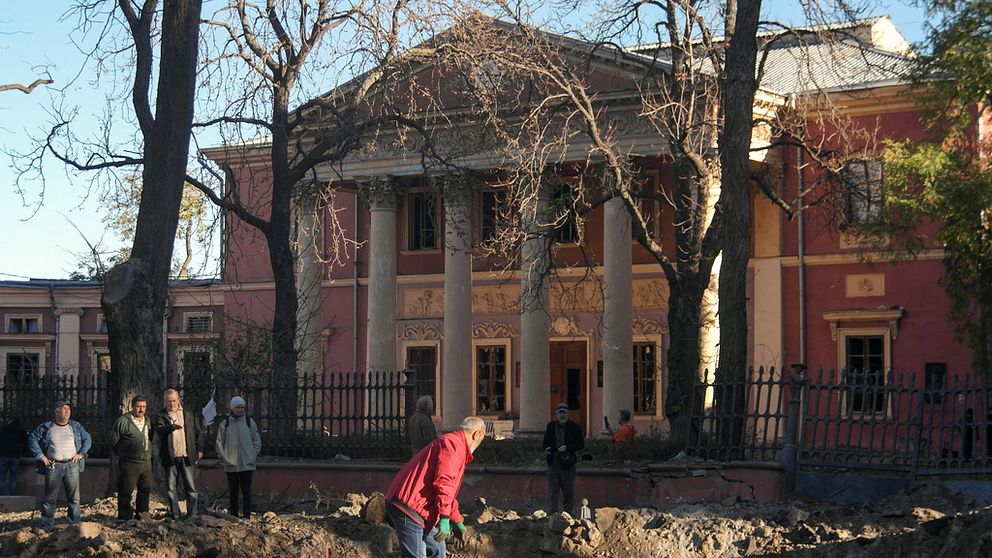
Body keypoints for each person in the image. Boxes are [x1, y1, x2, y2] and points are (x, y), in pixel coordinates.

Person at [385, 416, 486, 558]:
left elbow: (448, 492)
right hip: (409, 507)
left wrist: (456, 520)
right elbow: (444, 483)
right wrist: (445, 518)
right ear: (477, 434)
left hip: (420, 508)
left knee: (437, 550)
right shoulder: (453, 445)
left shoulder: (455, 444)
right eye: (482, 439)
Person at [27, 401, 92, 530]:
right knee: (50, 497)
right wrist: (41, 456)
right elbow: (32, 439)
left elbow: (87, 438)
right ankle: (47, 525)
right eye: (64, 410)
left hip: (71, 465)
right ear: (56, 412)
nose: (67, 412)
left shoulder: (76, 426)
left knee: (74, 497)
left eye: (69, 410)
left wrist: (81, 454)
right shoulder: (46, 427)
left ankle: (75, 524)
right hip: (53, 465)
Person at [153, 389, 205, 520]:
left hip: (187, 455)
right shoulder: (161, 415)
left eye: (174, 400)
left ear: (179, 400)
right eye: (168, 401)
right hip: (170, 456)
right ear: (165, 402)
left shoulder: (188, 412)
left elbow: (197, 431)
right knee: (171, 487)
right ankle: (174, 513)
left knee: (190, 486)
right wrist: (171, 427)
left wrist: (200, 449)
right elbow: (159, 430)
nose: (171, 404)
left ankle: (192, 513)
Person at [215, 395, 262, 522]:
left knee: (246, 491)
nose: (240, 410)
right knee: (233, 492)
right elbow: (219, 442)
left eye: (242, 407)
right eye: (237, 407)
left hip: (247, 463)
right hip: (231, 463)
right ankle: (234, 516)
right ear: (232, 407)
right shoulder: (225, 424)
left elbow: (256, 440)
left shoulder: (249, 422)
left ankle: (246, 516)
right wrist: (224, 457)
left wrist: (253, 454)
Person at [111, 395, 154, 521]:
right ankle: (124, 517)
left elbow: (151, 437)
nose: (141, 410)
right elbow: (114, 440)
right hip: (129, 462)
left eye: (144, 407)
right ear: (132, 407)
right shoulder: (123, 421)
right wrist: (124, 453)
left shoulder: (147, 421)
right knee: (126, 491)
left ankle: (142, 514)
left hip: (146, 461)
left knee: (145, 489)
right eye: (138, 407)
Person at [543, 402, 584, 515]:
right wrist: (546, 449)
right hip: (553, 464)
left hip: (568, 465)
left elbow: (581, 444)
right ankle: (552, 515)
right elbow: (545, 443)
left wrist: (567, 447)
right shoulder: (550, 426)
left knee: (568, 492)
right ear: (556, 414)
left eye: (564, 413)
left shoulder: (574, 427)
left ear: (568, 414)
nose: (562, 415)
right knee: (553, 492)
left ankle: (568, 515)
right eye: (560, 413)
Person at [0, 417, 26, 495]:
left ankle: (1, 496)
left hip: (3, 455)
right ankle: (12, 496)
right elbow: (25, 442)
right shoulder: (21, 430)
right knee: (13, 478)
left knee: (1, 478)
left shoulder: (3, 429)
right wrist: (23, 453)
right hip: (15, 456)